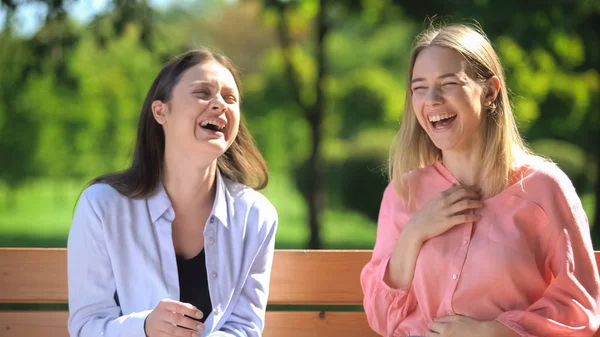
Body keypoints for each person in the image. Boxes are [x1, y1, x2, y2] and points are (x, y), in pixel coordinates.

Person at [360, 23, 600, 337]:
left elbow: (579, 304)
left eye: (448, 83)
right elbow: (382, 320)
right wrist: (413, 234)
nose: (431, 99)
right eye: (419, 87)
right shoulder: (404, 193)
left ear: (490, 91)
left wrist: (493, 332)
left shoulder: (544, 189)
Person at [67, 48, 278, 337]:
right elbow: (85, 326)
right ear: (160, 111)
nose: (220, 104)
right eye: (203, 92)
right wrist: (144, 328)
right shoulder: (101, 206)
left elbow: (244, 327)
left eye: (230, 98)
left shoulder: (256, 215)